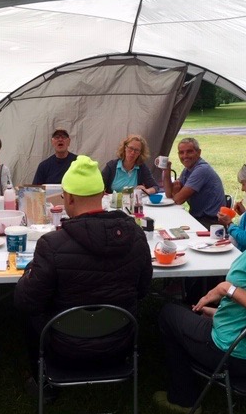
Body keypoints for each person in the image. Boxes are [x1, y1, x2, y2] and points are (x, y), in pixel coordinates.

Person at [154, 170, 246, 414]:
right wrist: (219, 313)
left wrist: (227, 289)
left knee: (168, 313)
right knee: (194, 310)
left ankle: (183, 398)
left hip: (237, 353)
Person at [14, 155, 152, 390]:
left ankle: (41, 382)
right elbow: (143, 290)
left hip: (64, 347)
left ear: (69, 197)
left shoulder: (51, 244)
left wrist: (30, 271)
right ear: (102, 194)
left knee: (30, 311)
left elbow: (26, 301)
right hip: (121, 341)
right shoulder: (136, 236)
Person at [163, 137, 226, 228]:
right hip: (198, 218)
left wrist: (175, 193)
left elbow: (177, 200)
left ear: (199, 152)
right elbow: (169, 195)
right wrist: (167, 170)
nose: (185, 156)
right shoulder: (187, 170)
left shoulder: (201, 170)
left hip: (211, 222)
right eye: (181, 152)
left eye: (189, 151)